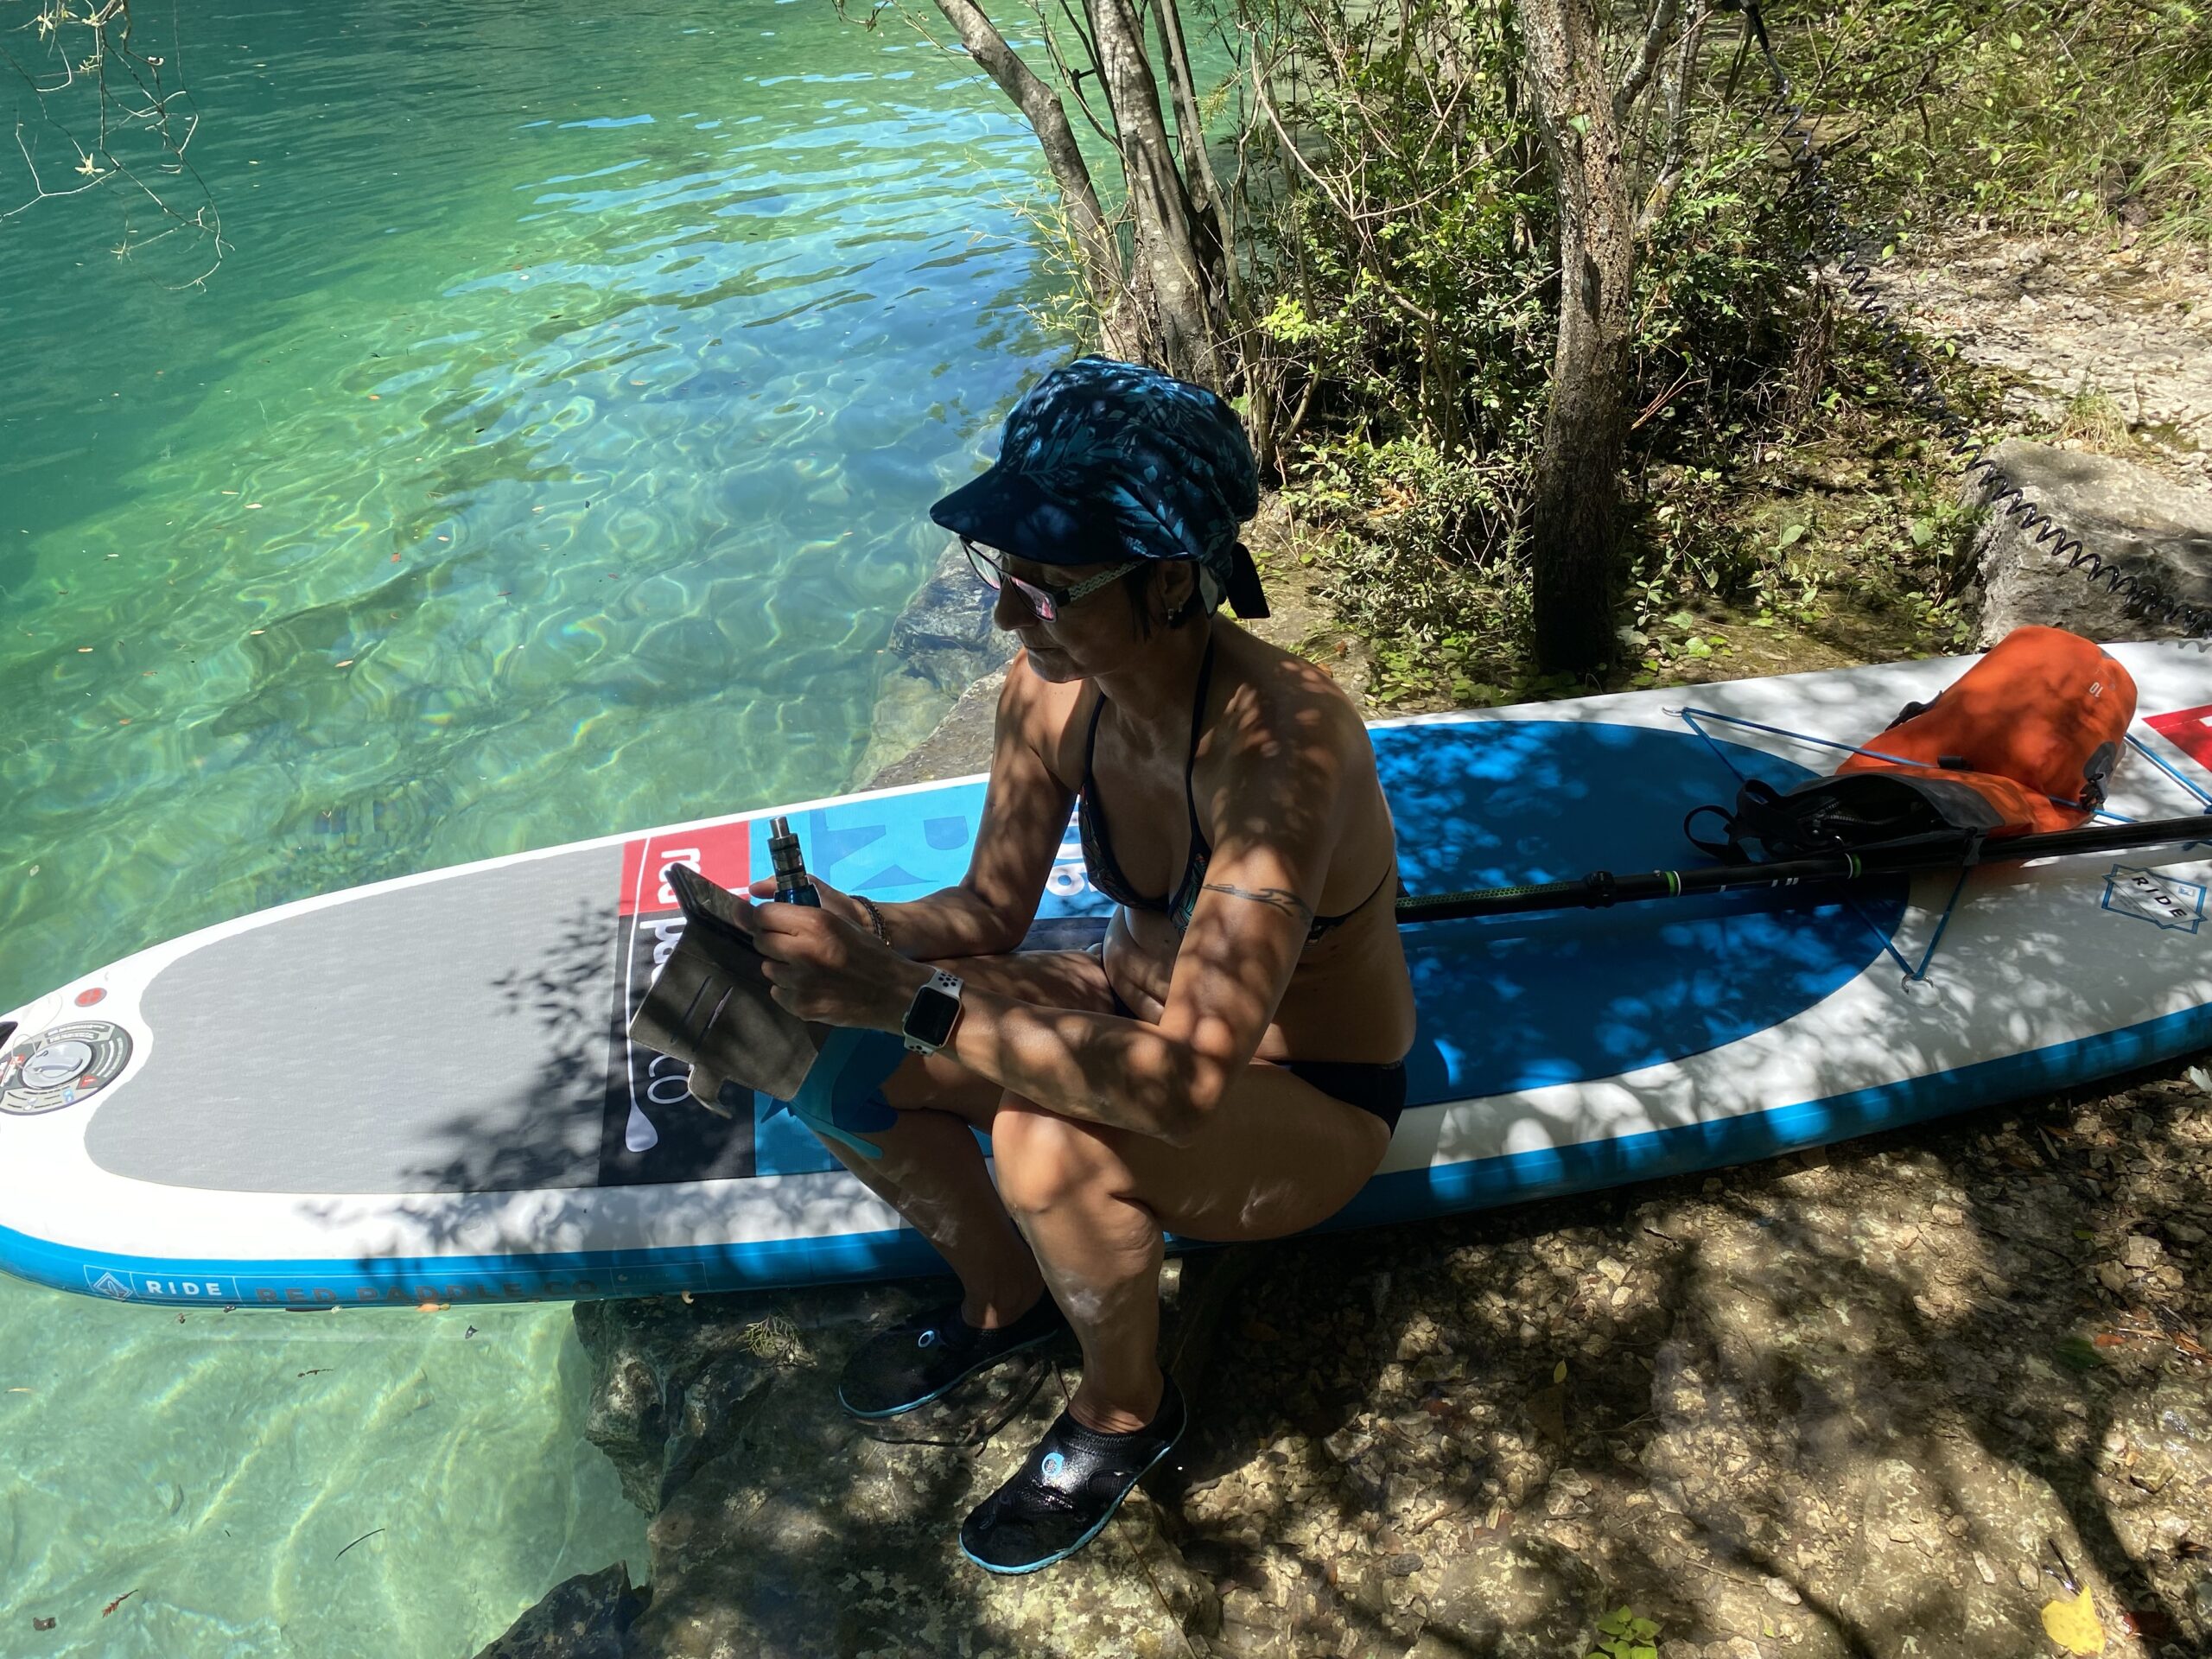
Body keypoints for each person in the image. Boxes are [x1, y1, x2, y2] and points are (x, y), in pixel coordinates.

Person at [731, 354, 1416, 1574]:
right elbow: (990, 910)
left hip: (1299, 1093)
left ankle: (1126, 1409)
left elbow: (1181, 1089)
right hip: (1121, 1007)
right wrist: (860, 929)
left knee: (1046, 1136)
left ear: (1169, 581)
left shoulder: (1281, 754)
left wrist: (909, 999)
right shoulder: (1052, 694)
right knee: (811, 1037)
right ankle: (1004, 1299)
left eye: (1048, 588)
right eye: (1003, 573)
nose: (1008, 616)